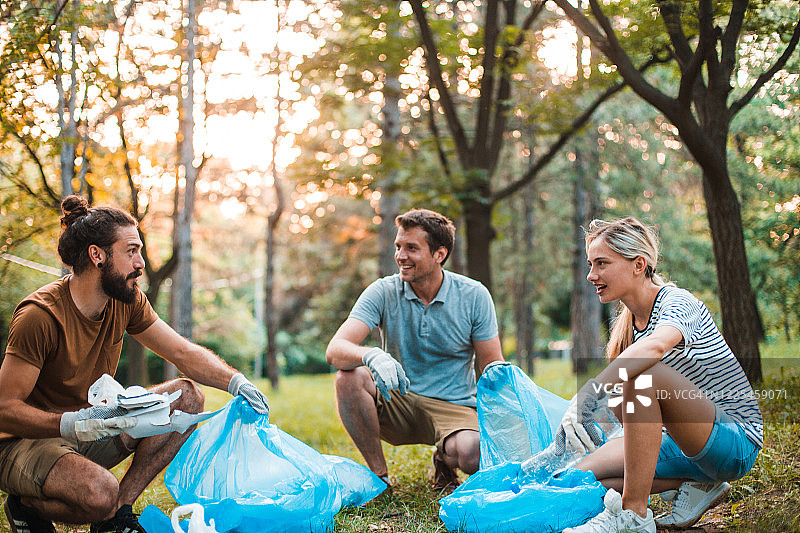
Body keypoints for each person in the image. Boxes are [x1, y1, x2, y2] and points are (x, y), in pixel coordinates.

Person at [0, 195, 270, 533]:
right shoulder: (40, 316)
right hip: (23, 442)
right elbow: (4, 409)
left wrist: (236, 382)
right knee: (99, 493)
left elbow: (182, 353)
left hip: (90, 427)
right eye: (131, 251)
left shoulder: (125, 300)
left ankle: (116, 515)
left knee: (187, 397)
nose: (140, 262)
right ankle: (25, 505)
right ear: (97, 255)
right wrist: (72, 424)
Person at [559, 217, 762, 533]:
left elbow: (655, 350)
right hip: (683, 445)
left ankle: (634, 516)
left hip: (734, 442)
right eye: (590, 264)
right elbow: (628, 410)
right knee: (583, 474)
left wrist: (590, 391)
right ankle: (700, 483)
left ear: (638, 264)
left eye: (602, 263)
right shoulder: (633, 328)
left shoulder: (677, 302)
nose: (591, 275)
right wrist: (586, 421)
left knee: (642, 376)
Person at [326, 208, 503, 492]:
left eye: (411, 248)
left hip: (454, 406)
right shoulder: (382, 291)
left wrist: (503, 418)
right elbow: (336, 349)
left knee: (473, 454)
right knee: (348, 378)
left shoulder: (474, 295)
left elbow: (492, 367)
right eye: (398, 246)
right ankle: (379, 478)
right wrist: (371, 355)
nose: (400, 256)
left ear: (439, 254)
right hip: (398, 398)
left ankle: (445, 458)